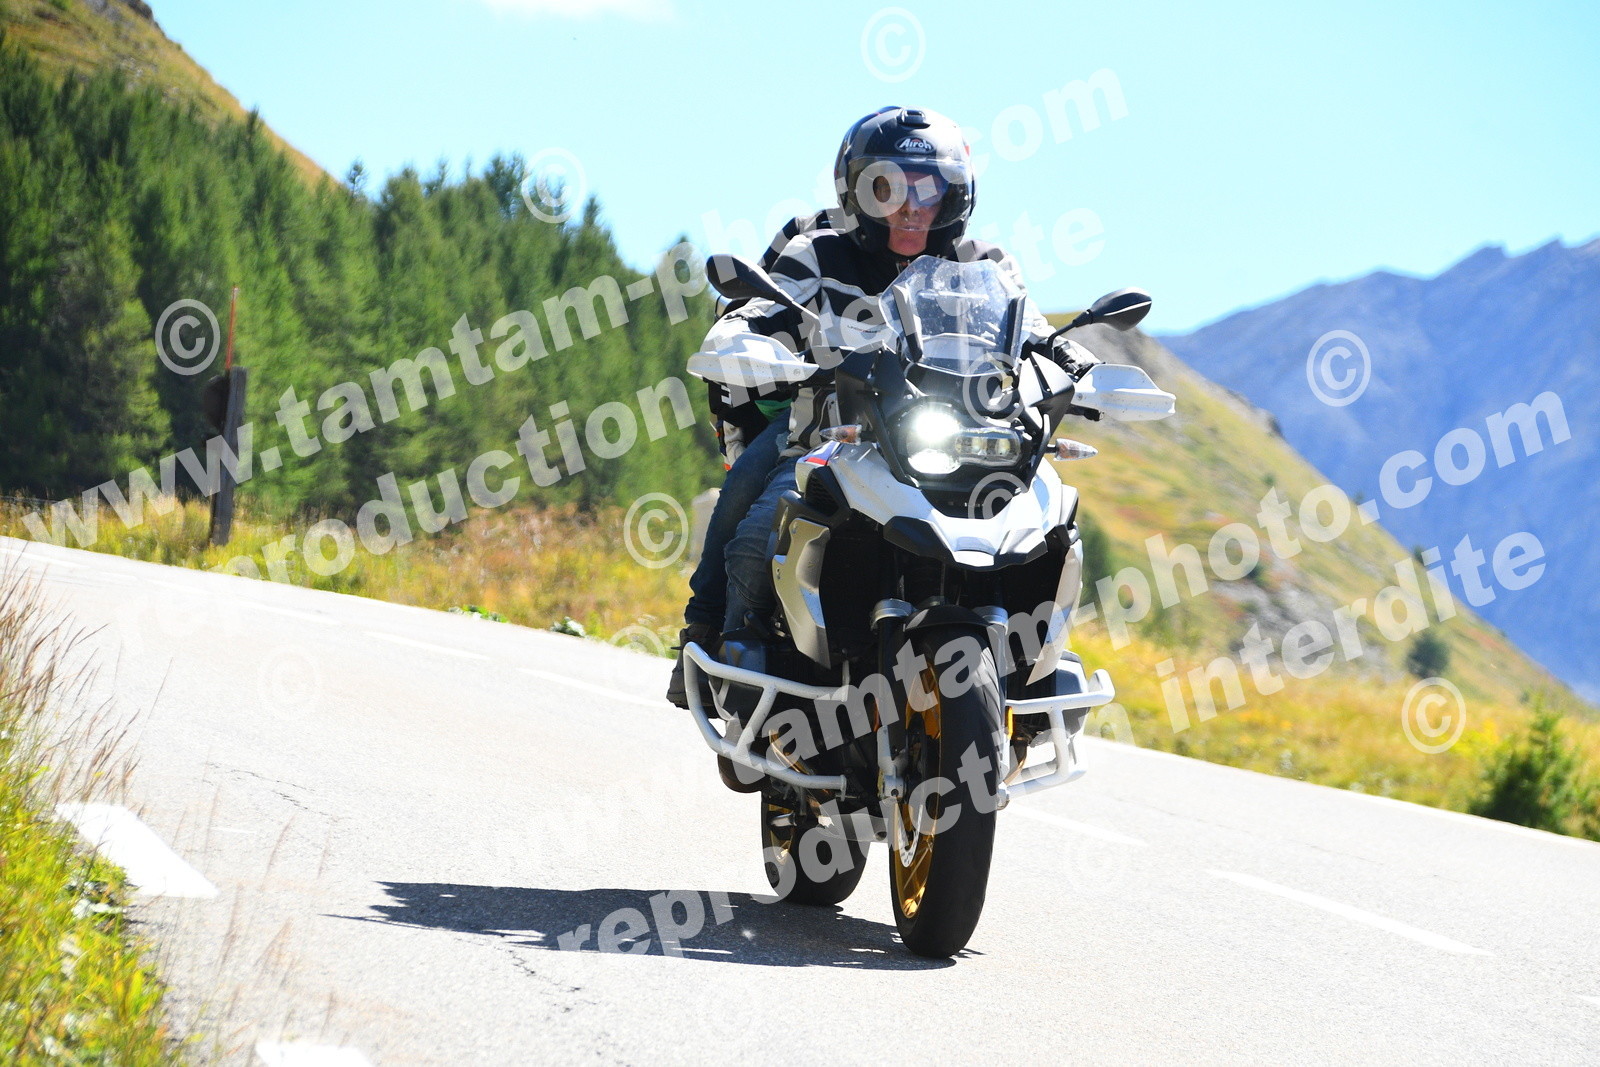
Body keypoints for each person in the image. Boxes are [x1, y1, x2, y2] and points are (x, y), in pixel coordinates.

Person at [667, 105, 1090, 707]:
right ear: (857, 192)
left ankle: (1034, 671)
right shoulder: (818, 252)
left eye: (930, 189)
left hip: (960, 444)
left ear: (957, 195)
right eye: (888, 188)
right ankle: (718, 645)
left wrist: (1084, 368)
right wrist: (741, 337)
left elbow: (1037, 335)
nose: (912, 207)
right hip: (830, 434)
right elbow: (762, 310)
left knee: (1049, 522)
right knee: (754, 521)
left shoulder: (986, 266)